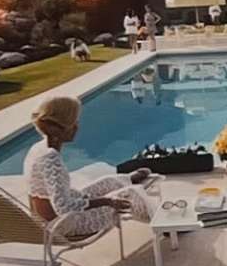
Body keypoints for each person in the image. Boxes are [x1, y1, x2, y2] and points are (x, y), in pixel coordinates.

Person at [21, 96, 149, 241]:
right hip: (63, 225)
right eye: (73, 122)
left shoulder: (39, 148)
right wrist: (107, 201)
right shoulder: (50, 159)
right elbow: (64, 207)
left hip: (49, 218)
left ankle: (126, 179)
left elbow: (52, 195)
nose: (77, 126)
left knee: (108, 181)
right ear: (61, 127)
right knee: (130, 194)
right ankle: (164, 224)